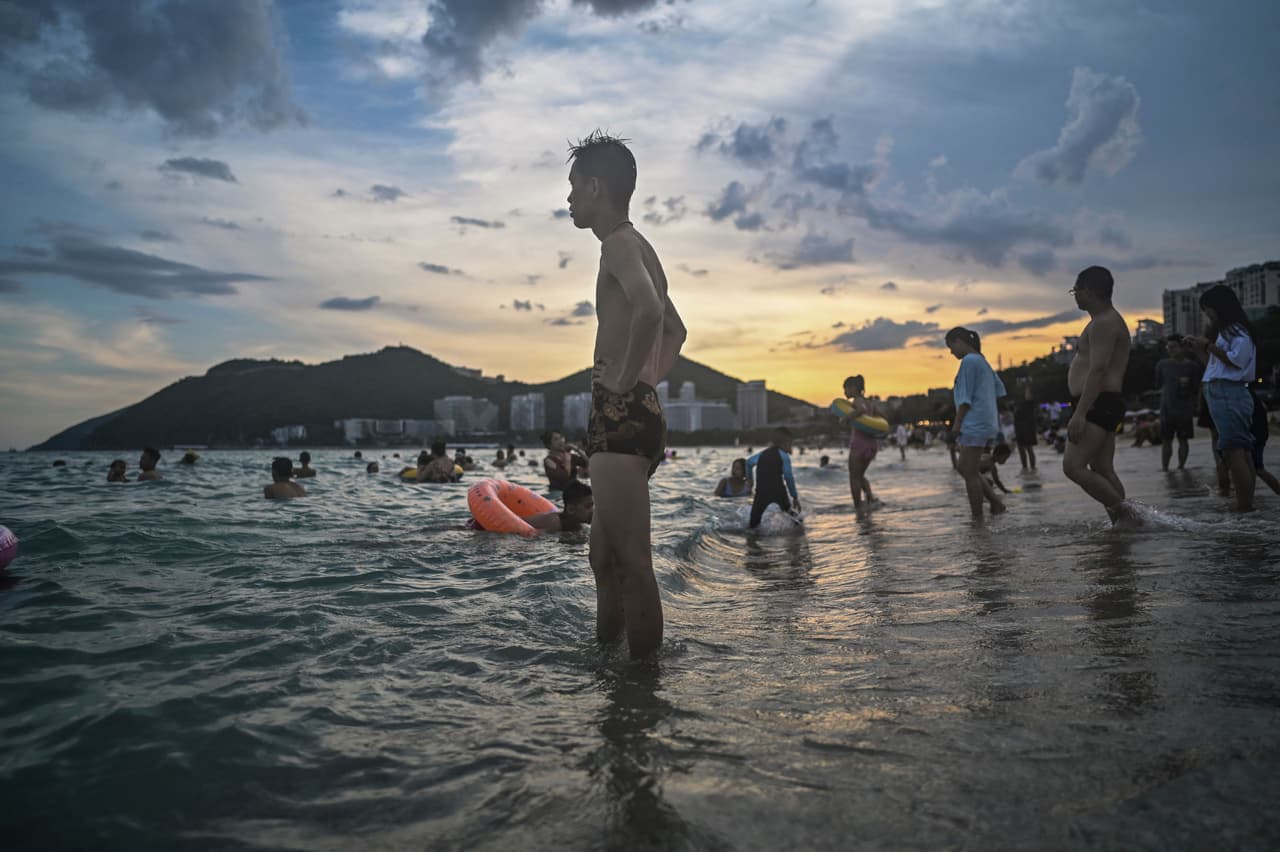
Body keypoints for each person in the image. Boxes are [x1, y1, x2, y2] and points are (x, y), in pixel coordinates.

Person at [567, 129, 686, 659]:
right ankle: (607, 659)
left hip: (619, 414)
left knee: (633, 562)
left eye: (574, 186)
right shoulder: (639, 245)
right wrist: (646, 381)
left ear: (595, 187)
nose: (569, 198)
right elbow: (677, 330)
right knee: (604, 558)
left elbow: (651, 312)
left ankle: (642, 684)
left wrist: (625, 381)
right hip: (632, 412)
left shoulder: (617, 243)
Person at [1062, 266, 1131, 521]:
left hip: (1097, 403)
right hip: (1101, 401)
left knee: (1073, 467)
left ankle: (1132, 517)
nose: (1075, 296)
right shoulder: (1103, 321)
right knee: (1102, 468)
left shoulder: (1104, 323)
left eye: (1076, 291)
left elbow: (1098, 370)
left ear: (1088, 291)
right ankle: (1124, 526)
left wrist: (1080, 413)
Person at [1185, 284, 1257, 511]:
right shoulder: (1228, 332)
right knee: (1240, 450)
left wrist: (1208, 345)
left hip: (1228, 392)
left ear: (1218, 307)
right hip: (1224, 392)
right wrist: (1200, 350)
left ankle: (1244, 507)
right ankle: (1246, 506)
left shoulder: (1236, 331)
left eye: (1207, 308)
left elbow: (1236, 360)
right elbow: (1215, 366)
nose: (1207, 314)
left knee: (1235, 451)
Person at [946, 327, 1007, 518]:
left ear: (959, 341)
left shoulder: (969, 361)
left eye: (951, 347)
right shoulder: (982, 361)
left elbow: (965, 399)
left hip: (975, 422)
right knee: (965, 468)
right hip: (985, 421)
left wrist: (957, 425)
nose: (951, 352)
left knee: (968, 471)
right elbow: (999, 390)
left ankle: (977, 519)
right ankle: (996, 503)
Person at [1155, 334, 1199, 470]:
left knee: (1183, 440)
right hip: (1166, 410)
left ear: (1182, 347)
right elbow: (1158, 384)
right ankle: (1165, 469)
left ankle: (1181, 467)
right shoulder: (1162, 365)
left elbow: (1196, 388)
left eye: (1173, 347)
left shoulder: (1192, 366)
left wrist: (1196, 405)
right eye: (1168, 347)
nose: (1170, 350)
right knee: (1166, 441)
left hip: (1185, 410)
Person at [745, 428, 801, 528]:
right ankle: (799, 534)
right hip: (778, 491)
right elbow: (788, 477)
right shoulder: (784, 456)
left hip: (761, 492)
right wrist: (794, 496)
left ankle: (751, 537)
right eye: (791, 443)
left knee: (753, 522)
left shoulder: (762, 454)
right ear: (786, 442)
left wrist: (750, 480)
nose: (791, 446)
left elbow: (749, 463)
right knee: (794, 518)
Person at [841, 375, 880, 514]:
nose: (844, 392)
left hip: (859, 443)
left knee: (853, 477)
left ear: (854, 388)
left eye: (846, 389)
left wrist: (846, 418)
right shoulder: (870, 402)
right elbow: (880, 416)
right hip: (871, 444)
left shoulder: (857, 401)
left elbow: (860, 410)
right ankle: (870, 499)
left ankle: (858, 506)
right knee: (860, 475)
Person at [1249, 388, 1280, 496]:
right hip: (1259, 436)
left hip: (1255, 437)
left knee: (1257, 469)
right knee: (1255, 469)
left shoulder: (1246, 395)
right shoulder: (1251, 395)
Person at [1012, 380, 1038, 470]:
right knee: (1021, 449)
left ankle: (1033, 468)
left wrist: (1027, 386)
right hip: (1019, 429)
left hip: (1027, 428)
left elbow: (1028, 396)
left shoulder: (1029, 404)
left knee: (1029, 448)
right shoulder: (1019, 404)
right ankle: (1024, 468)